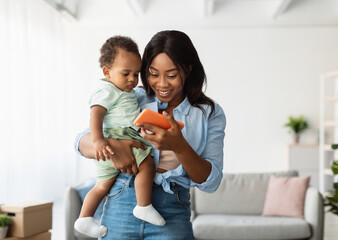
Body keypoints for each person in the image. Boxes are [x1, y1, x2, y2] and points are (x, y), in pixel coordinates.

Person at [74, 30, 226, 239]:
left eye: (171, 75)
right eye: (153, 74)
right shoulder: (132, 97)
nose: (161, 84)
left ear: (188, 70)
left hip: (171, 210)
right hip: (121, 200)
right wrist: (114, 148)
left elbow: (212, 181)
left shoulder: (209, 113)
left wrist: (179, 146)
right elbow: (80, 140)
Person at [74, 36, 165, 238]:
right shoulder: (108, 90)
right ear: (107, 72)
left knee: (102, 185)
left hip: (115, 139)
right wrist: (99, 141)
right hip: (117, 136)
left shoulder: (127, 91)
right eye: (126, 74)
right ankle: (143, 205)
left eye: (136, 74)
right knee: (148, 165)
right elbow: (95, 114)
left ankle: (84, 218)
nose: (132, 80)